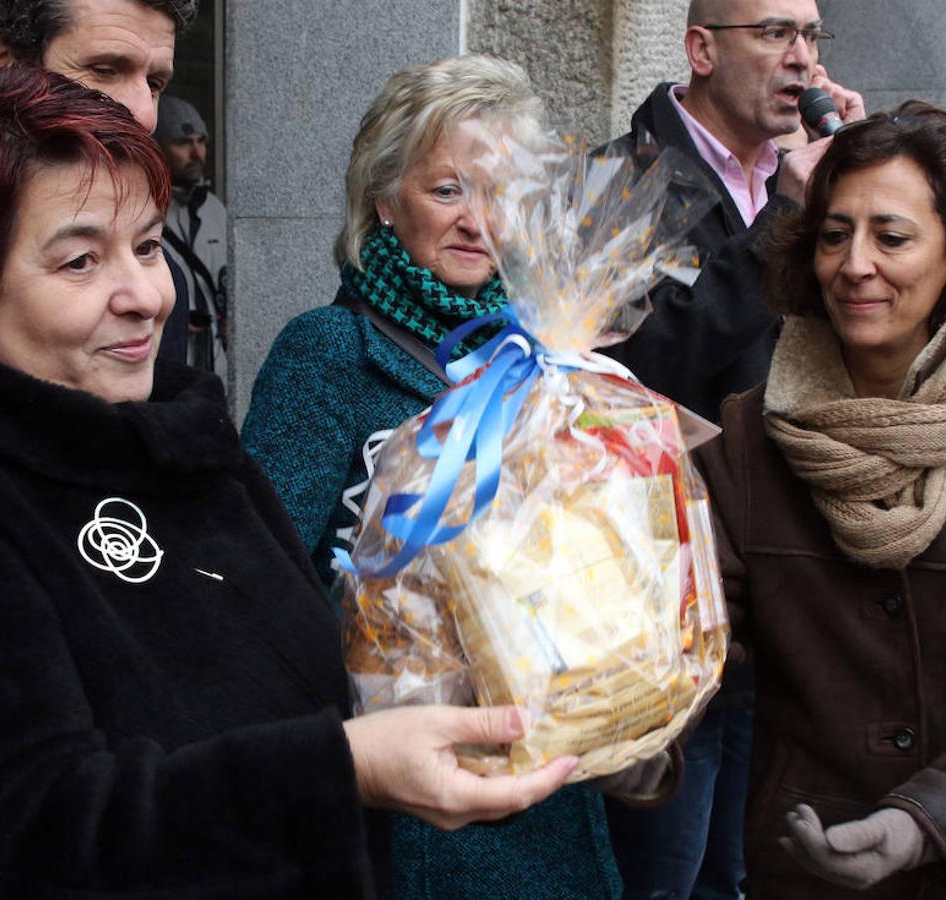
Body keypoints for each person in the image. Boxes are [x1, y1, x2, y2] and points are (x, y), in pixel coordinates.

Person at [0, 67, 582, 899]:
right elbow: (31, 825)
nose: (146, 296)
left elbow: (320, 678)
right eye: (80, 261)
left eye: (148, 246)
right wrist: (341, 772)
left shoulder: (181, 444)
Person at [242, 54, 663, 900]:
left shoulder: (544, 363)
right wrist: (408, 623)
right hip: (408, 812)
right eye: (448, 190)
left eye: (502, 194)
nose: (479, 221)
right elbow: (258, 582)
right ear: (383, 200)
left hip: (553, 799)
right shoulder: (328, 354)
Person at [595, 3, 865, 897]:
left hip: (791, 589)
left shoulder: (811, 178)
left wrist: (861, 192)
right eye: (775, 33)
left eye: (813, 38)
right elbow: (627, 364)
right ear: (702, 48)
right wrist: (783, 222)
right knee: (665, 876)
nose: (802, 60)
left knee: (749, 874)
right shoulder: (625, 178)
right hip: (673, 604)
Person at [696, 100, 946, 899]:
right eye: (834, 234)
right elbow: (691, 645)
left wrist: (924, 822)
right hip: (803, 863)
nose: (855, 264)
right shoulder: (749, 438)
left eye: (891, 237)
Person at [0, 0, 196, 364]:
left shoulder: (159, 287)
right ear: (3, 63)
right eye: (104, 70)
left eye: (154, 83)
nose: (145, 116)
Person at [155, 95, 229, 381]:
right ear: (158, 147)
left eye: (201, 141)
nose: (196, 153)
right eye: (183, 143)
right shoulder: (146, 209)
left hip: (214, 366)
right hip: (167, 365)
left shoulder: (214, 210)